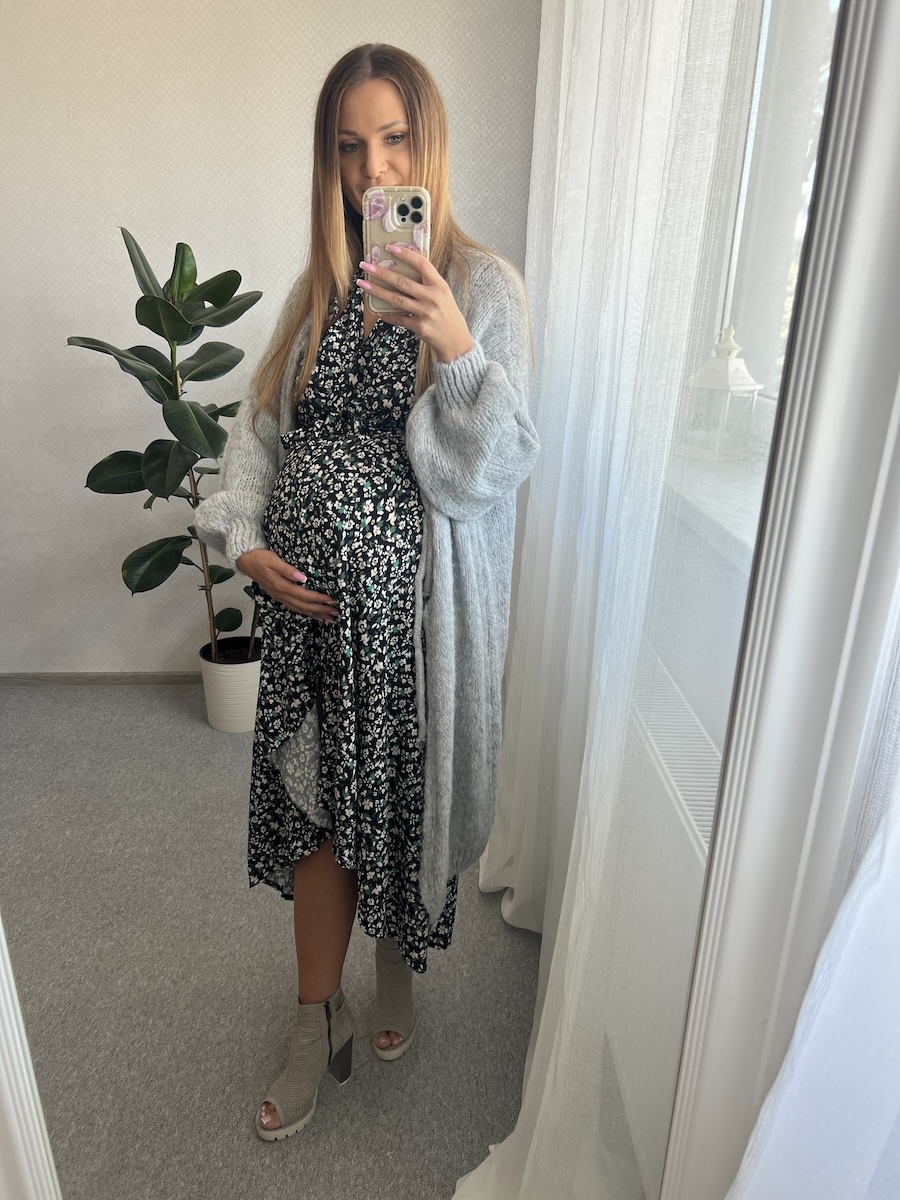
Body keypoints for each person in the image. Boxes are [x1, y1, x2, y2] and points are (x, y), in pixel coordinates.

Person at [195, 43, 539, 1141]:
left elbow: (499, 466)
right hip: (306, 624)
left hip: (410, 631)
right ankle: (315, 1022)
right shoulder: (319, 291)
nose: (372, 169)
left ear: (428, 142)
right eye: (349, 147)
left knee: (393, 805)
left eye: (392, 140)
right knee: (315, 815)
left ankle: (394, 961)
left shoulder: (481, 288)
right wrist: (246, 540)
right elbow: (259, 432)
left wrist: (455, 343)